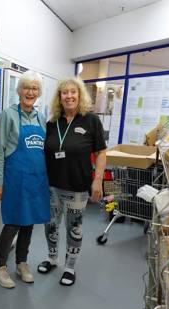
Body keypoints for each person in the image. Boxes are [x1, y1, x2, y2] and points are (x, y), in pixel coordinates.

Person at [37, 77, 107, 286]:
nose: (68, 96)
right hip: (51, 186)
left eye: (72, 92)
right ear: (59, 97)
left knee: (74, 227)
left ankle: (70, 266)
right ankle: (52, 258)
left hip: (77, 186)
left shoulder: (91, 120)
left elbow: (102, 153)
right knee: (51, 225)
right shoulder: (51, 123)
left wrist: (98, 180)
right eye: (64, 93)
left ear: (79, 95)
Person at [0, 70, 50, 289]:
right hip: (15, 179)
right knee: (13, 223)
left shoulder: (41, 118)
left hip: (36, 180)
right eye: (27, 87)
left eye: (35, 88)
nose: (30, 92)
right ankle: (0, 267)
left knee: (29, 222)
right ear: (19, 90)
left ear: (38, 93)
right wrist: (0, 182)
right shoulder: (8, 115)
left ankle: (22, 263)